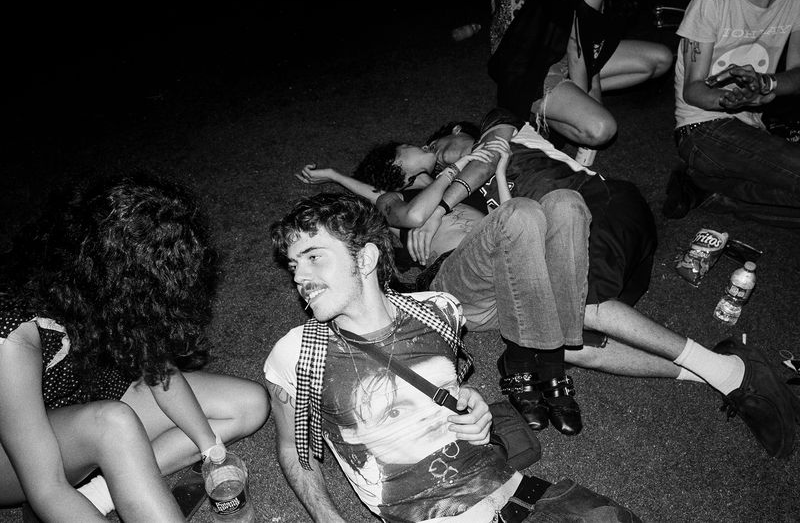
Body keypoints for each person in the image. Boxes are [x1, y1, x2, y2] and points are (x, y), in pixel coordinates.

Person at [296, 116, 800, 459]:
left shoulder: (480, 167)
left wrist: (489, 167)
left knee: (557, 211)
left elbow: (513, 207)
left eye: (430, 147)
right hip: (457, 283)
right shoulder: (400, 201)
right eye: (414, 157)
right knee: (566, 298)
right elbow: (395, 203)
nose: (424, 154)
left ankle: (714, 370)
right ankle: (726, 370)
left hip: (515, 260)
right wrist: (341, 175)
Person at [264, 192, 641, 522]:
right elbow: (290, 447)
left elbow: (446, 389)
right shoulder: (296, 354)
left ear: (365, 260)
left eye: (314, 256)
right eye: (295, 265)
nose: (300, 277)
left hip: (524, 493)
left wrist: (473, 406)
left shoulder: (439, 311)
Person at [0, 175, 270, 520]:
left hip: (86, 394)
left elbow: (160, 374)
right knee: (112, 423)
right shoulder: (14, 335)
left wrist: (212, 450)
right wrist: (53, 496)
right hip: (15, 452)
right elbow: (46, 486)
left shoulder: (102, 288)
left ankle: (100, 489)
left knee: (248, 404)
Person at [662, 0, 800, 226]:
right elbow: (694, 91)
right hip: (701, 129)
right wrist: (735, 98)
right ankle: (709, 187)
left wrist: (766, 83)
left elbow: (797, 74)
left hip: (753, 127)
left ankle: (712, 192)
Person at [488, 0, 673, 164]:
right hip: (531, 61)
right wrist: (590, 94)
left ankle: (563, 102)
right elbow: (577, 46)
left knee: (661, 59)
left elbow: (591, 37)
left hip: (561, 46)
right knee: (601, 129)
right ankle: (536, 107)